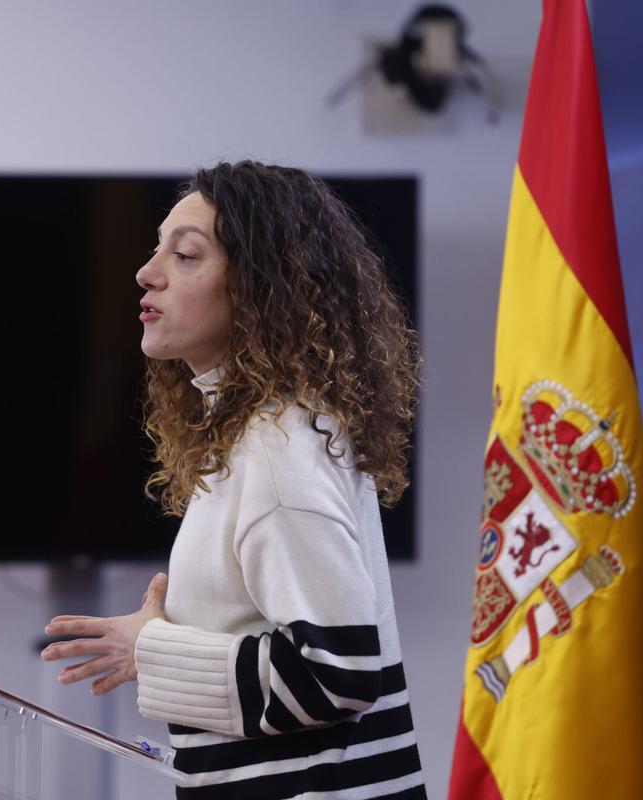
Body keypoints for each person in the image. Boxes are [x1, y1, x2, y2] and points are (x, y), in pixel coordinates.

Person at [41, 160, 425, 799]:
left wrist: (154, 651)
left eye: (185, 255)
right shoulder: (268, 431)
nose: (146, 271)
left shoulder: (278, 446)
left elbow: (341, 673)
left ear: (257, 288)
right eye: (156, 248)